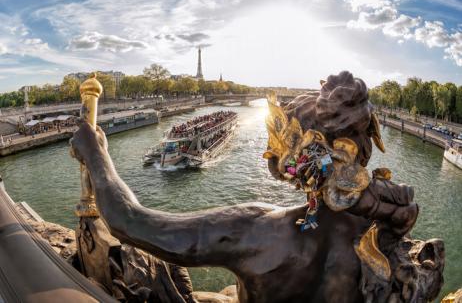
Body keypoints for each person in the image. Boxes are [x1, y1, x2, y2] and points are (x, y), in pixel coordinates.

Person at [70, 71, 443, 303]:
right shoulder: (387, 223)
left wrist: (96, 152)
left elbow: (130, 221)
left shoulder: (258, 229)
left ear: (295, 160)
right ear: (364, 145)